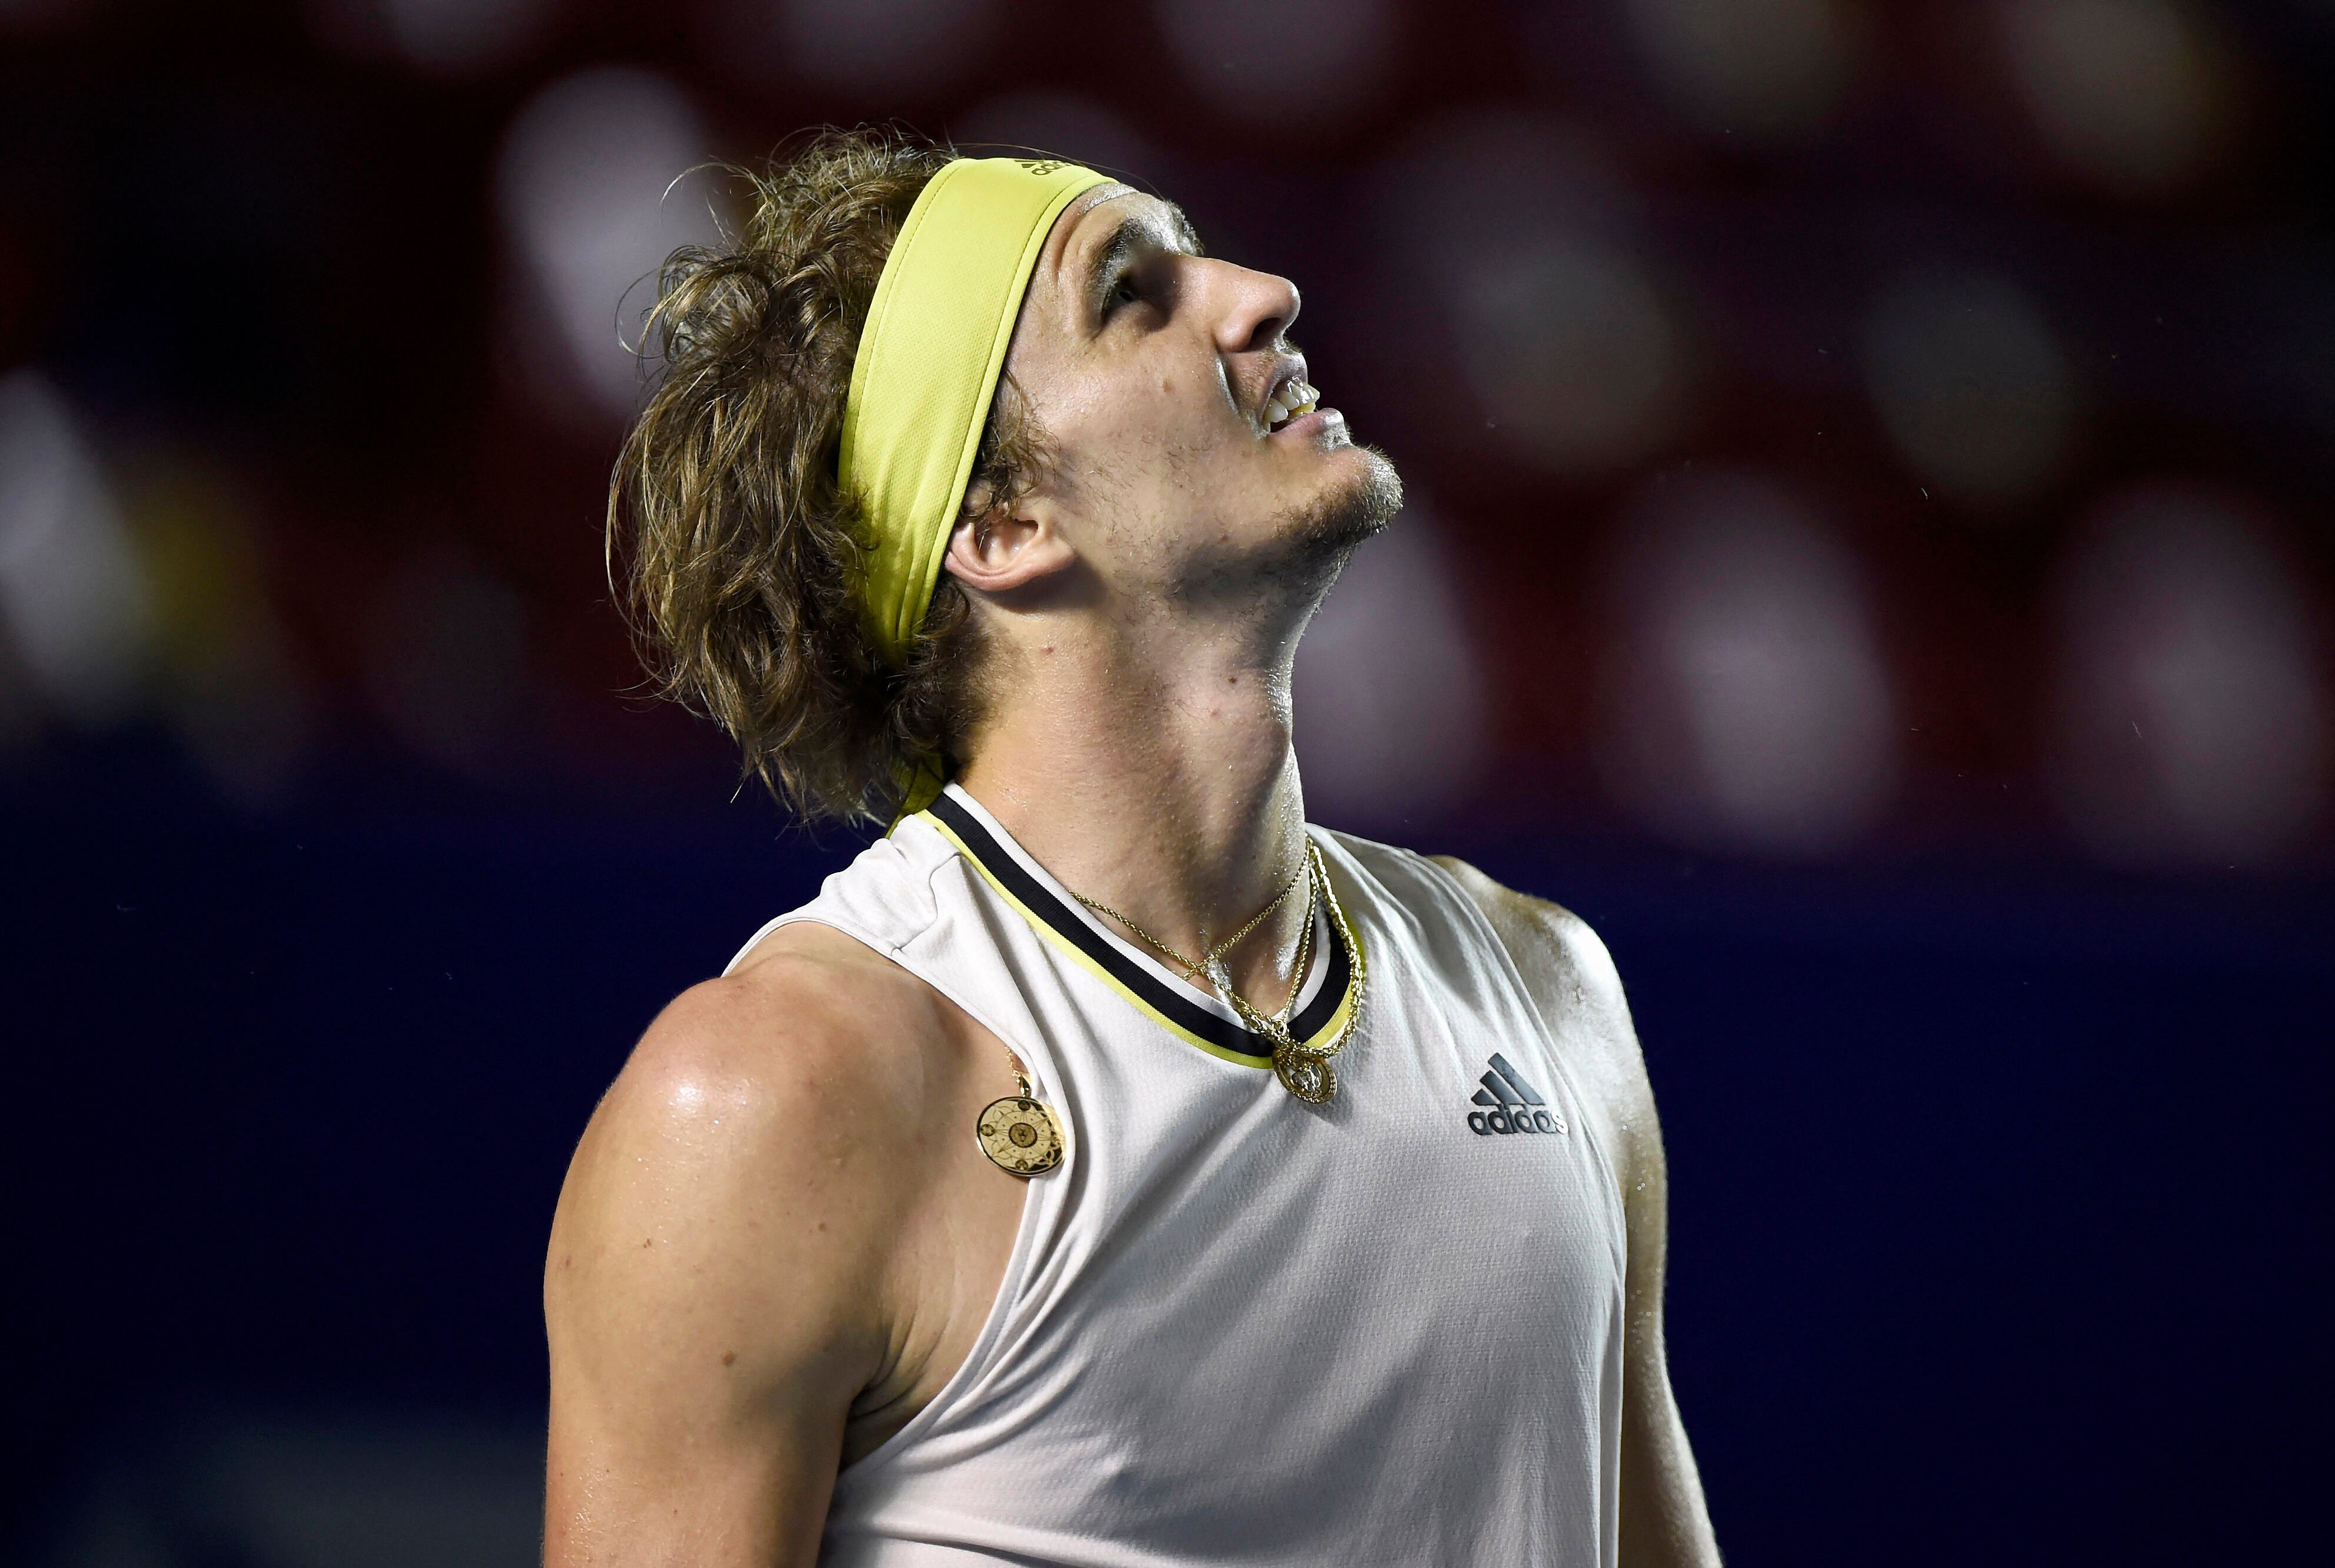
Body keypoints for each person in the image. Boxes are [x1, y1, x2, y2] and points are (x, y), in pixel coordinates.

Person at [545, 128, 1722, 1567]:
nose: (1264, 293)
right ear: (1001, 522)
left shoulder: (1551, 1000)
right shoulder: (772, 1096)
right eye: (1130, 295)